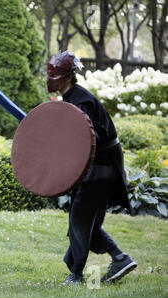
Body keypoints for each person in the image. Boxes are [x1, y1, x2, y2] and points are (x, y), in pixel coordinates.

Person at [46, 51, 137, 285]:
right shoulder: (71, 98)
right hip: (98, 165)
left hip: (101, 166)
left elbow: (88, 137)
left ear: (68, 77)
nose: (51, 78)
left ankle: (77, 274)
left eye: (55, 74)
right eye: (50, 73)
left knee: (79, 218)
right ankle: (119, 258)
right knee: (87, 221)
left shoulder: (80, 100)